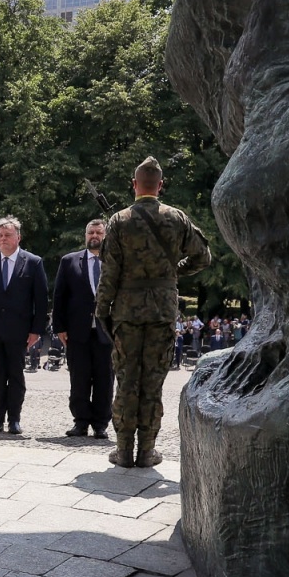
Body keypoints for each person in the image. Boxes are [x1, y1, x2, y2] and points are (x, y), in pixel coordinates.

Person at [95, 156, 212, 468]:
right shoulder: (177, 218)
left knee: (126, 380)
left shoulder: (118, 221)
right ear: (160, 185)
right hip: (161, 310)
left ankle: (122, 450)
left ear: (135, 185)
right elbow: (203, 257)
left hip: (126, 312)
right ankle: (147, 450)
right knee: (153, 382)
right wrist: (173, 272)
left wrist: (101, 310)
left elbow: (110, 274)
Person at [0, 216, 49, 435]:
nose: (3, 239)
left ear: (18, 237)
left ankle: (14, 419)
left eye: (7, 235)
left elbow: (40, 299)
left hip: (20, 331)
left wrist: (36, 330)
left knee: (16, 375)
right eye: (0, 235)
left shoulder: (33, 262)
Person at [52, 218, 114, 439]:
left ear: (105, 235)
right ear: (85, 235)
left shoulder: (116, 261)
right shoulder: (70, 261)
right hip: (77, 331)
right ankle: (80, 422)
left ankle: (100, 424)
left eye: (98, 232)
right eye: (90, 232)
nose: (94, 236)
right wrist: (58, 327)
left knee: (104, 379)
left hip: (107, 332)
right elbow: (60, 296)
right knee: (79, 378)